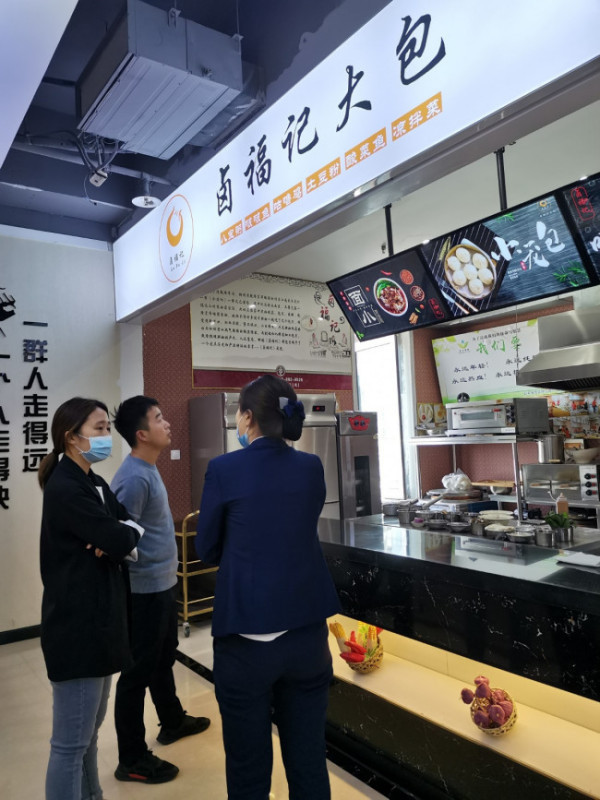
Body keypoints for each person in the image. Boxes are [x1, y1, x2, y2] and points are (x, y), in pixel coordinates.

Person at [196, 375, 341, 800]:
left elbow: (206, 548)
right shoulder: (310, 466)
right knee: (309, 760)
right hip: (306, 635)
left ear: (246, 418)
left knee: (248, 768)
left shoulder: (223, 469)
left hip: (246, 639)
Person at [39, 397, 141, 800]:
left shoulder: (93, 481)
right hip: (77, 630)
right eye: (99, 429)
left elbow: (129, 525)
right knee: (69, 745)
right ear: (71, 437)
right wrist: (115, 535)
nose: (106, 436)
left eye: (106, 428)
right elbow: (120, 535)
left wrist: (116, 536)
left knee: (89, 734)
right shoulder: (66, 487)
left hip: (101, 624)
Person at [110, 395, 210, 784]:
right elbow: (121, 539)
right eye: (158, 418)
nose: (166, 423)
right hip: (144, 589)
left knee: (162, 657)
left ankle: (171, 720)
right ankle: (132, 757)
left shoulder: (147, 468)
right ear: (141, 433)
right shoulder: (133, 478)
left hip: (162, 582)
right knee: (137, 671)